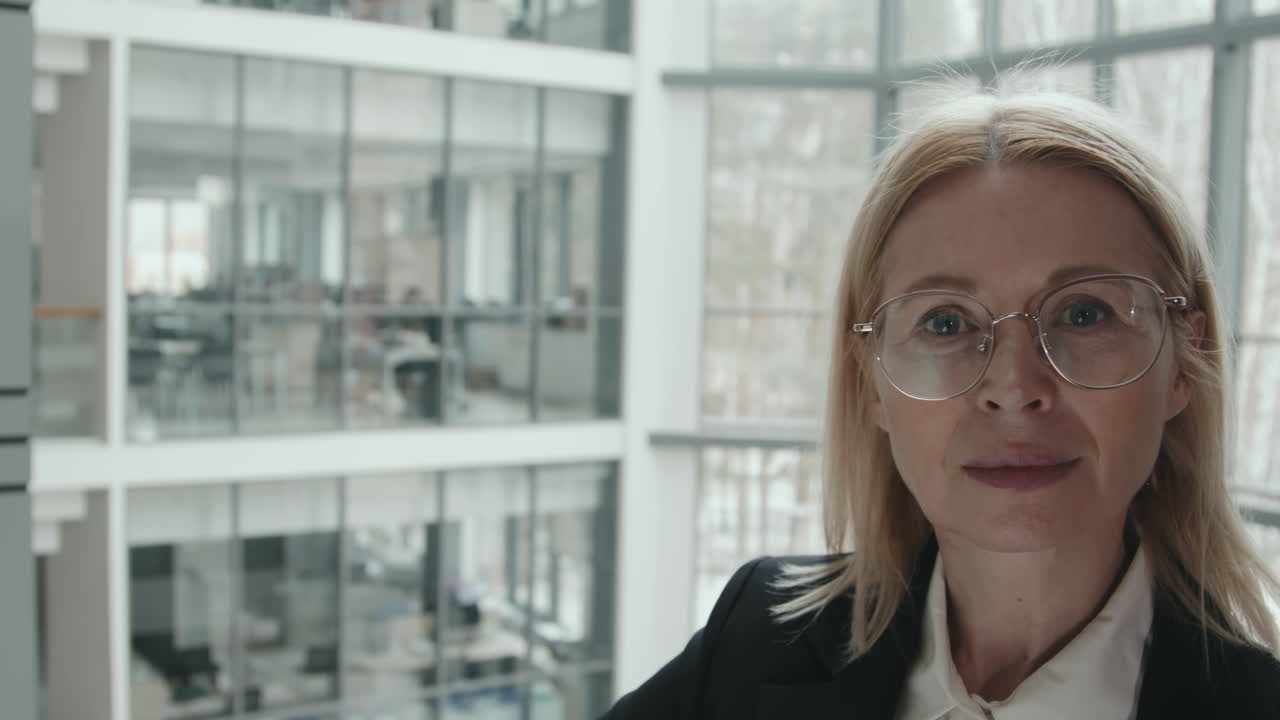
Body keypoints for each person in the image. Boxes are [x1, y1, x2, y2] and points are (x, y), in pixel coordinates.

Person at [603, 86, 1280, 718]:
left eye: (1084, 314)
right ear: (868, 379)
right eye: (947, 323)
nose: (1015, 389)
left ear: (1187, 362)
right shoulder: (753, 639)